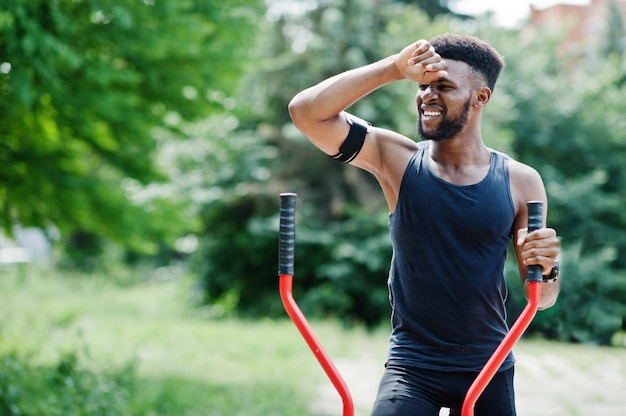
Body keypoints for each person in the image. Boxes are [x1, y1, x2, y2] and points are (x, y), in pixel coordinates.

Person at [288, 33, 561, 415]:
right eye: (423, 86)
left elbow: (543, 299)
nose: (427, 96)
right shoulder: (395, 159)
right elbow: (306, 112)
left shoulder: (521, 181)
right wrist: (393, 68)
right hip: (412, 368)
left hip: (489, 366)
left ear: (481, 97)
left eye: (444, 87)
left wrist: (547, 269)